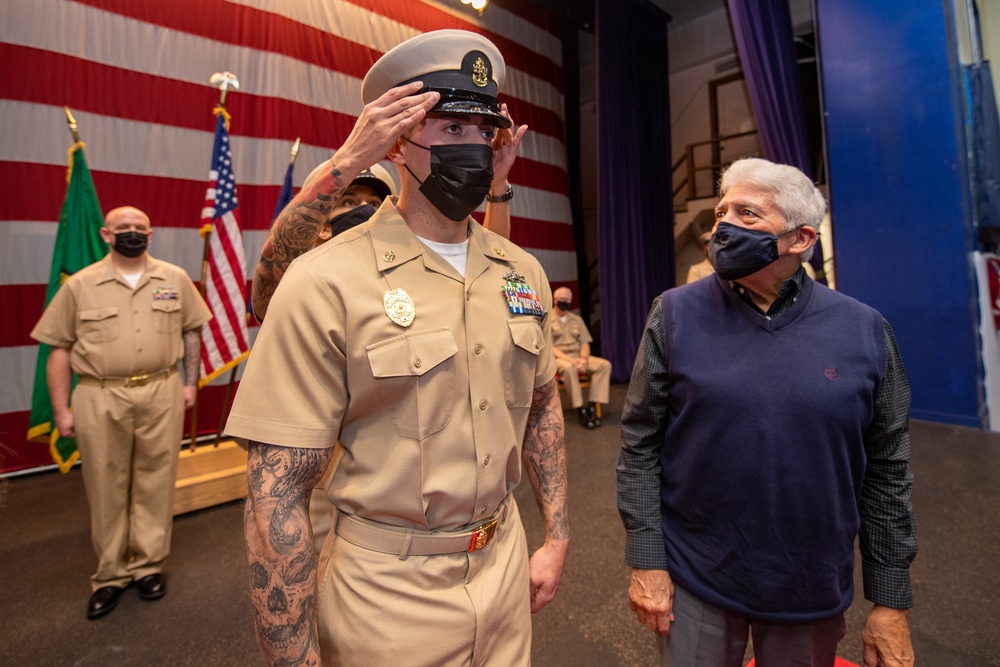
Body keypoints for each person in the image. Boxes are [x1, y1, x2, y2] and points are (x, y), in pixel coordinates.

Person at [226, 29, 569, 667]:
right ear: (397, 139)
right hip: (387, 597)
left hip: (504, 571)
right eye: (448, 129)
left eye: (482, 132)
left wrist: (557, 535)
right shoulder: (327, 278)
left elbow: (542, 403)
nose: (472, 149)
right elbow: (277, 496)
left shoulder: (520, 270)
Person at [617, 158, 917, 667]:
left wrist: (890, 599)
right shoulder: (673, 314)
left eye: (748, 214)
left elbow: (888, 470)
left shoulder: (865, 330)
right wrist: (647, 558)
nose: (724, 226)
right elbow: (639, 442)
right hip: (697, 580)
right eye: (721, 212)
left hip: (810, 587)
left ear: (800, 239)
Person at [30, 206, 212, 619]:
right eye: (123, 228)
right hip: (100, 395)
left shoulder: (174, 278)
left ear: (152, 232)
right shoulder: (80, 285)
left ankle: (147, 566)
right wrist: (61, 409)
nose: (132, 233)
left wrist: (188, 382)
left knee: (156, 479)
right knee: (106, 483)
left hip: (161, 390)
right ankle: (111, 575)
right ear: (106, 235)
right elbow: (58, 350)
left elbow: (192, 331)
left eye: (139, 228)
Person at [550, 286, 611, 429]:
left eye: (567, 299)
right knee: (570, 369)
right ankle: (580, 409)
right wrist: (573, 361)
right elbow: (551, 348)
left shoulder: (576, 319)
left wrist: (583, 359)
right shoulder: (547, 320)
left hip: (578, 356)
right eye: (561, 299)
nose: (564, 301)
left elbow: (584, 343)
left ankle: (592, 405)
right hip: (560, 358)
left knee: (604, 365)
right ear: (554, 300)